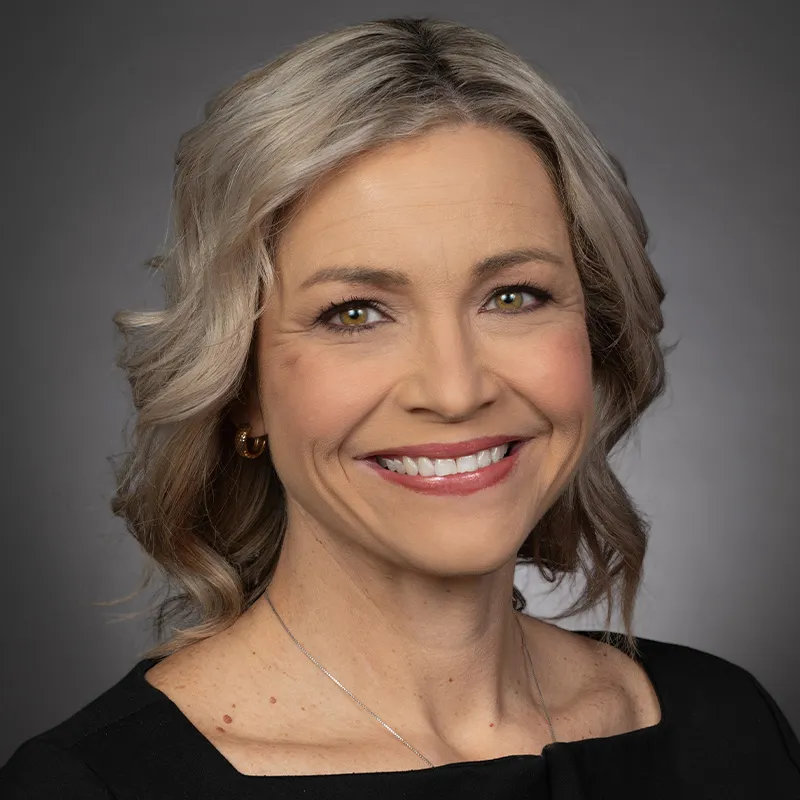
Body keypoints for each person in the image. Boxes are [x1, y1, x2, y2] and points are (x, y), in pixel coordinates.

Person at [1, 15, 798, 799]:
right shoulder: (90, 786)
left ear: (596, 334)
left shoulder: (728, 725)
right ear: (241, 388)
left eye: (513, 295)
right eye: (355, 312)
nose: (455, 390)